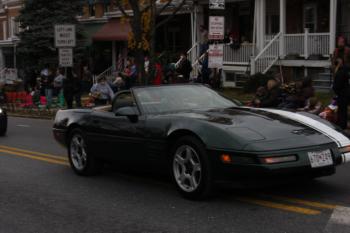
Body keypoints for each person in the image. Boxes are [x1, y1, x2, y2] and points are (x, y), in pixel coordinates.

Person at [332, 57, 350, 129]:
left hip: (342, 94)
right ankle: (342, 124)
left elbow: (338, 85)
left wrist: (335, 89)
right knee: (342, 110)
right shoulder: (344, 70)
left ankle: (342, 126)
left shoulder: (341, 72)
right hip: (345, 93)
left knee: (342, 110)